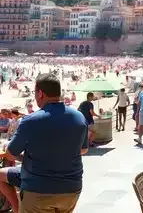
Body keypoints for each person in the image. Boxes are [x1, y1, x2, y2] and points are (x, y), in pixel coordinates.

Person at [4, 73, 88, 213]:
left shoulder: (30, 120)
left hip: (38, 188)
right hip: (71, 189)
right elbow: (83, 150)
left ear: (40, 93)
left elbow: (11, 155)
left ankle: (16, 209)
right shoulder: (78, 117)